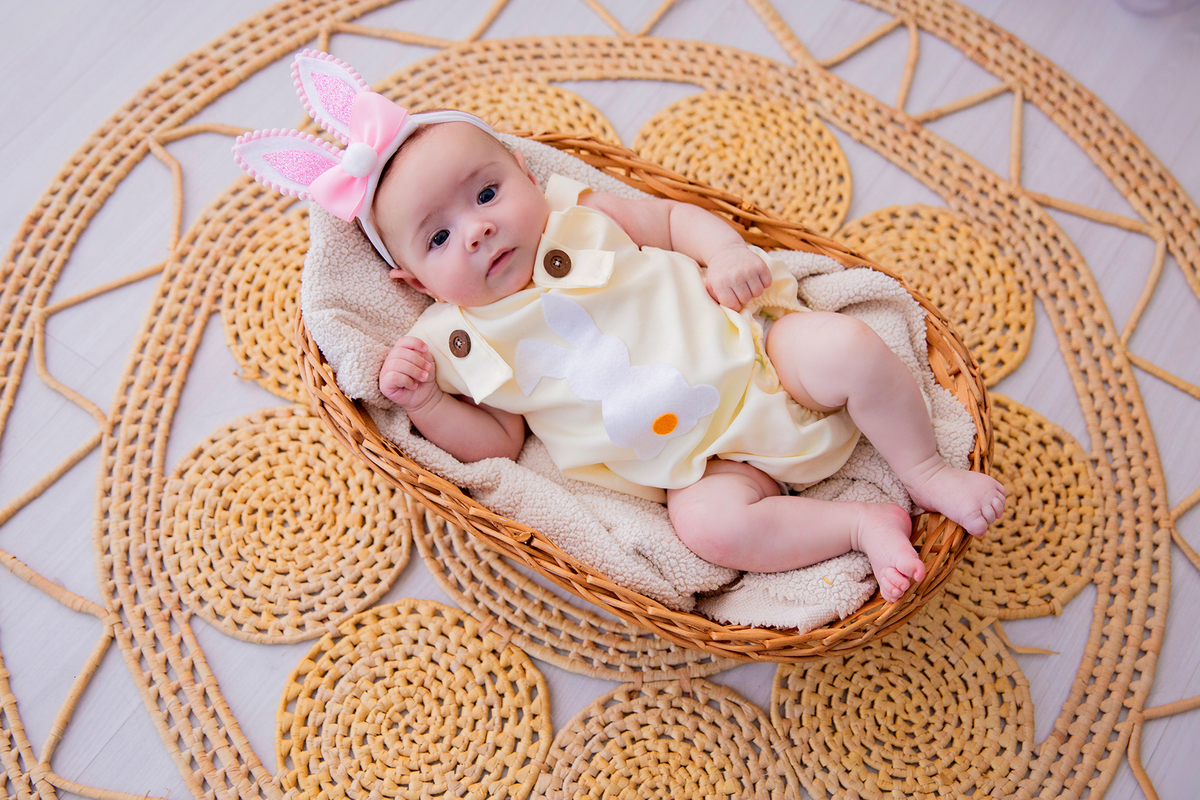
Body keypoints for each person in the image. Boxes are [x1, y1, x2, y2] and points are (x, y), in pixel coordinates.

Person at [232, 51, 1005, 604]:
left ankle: (925, 471)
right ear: (411, 282)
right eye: (437, 239)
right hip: (704, 467)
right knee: (709, 531)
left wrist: (724, 249)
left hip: (762, 358)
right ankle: (858, 525)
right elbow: (500, 445)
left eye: (487, 193)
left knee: (849, 347)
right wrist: (431, 404)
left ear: (527, 176)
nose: (475, 232)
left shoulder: (586, 212)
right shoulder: (456, 344)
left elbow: (671, 217)